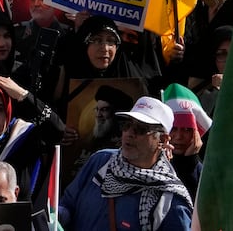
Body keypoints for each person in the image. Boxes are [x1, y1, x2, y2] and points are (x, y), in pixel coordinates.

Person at [60, 97, 193, 231]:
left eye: (140, 129)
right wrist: (57, 217)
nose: (129, 133)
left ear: (162, 140)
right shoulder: (100, 161)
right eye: (126, 125)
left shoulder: (169, 201)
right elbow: (67, 204)